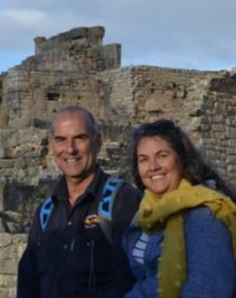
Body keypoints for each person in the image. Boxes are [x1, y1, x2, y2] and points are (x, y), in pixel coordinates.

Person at [123, 119, 236, 298]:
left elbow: (205, 290)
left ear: (180, 158)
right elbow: (146, 282)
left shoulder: (206, 216)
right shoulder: (148, 210)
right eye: (143, 159)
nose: (153, 167)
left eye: (162, 155)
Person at [17, 106, 142, 297]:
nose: (70, 149)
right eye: (61, 140)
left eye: (80, 138)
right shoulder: (45, 212)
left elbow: (132, 279)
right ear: (52, 146)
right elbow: (28, 283)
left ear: (97, 142)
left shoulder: (123, 201)